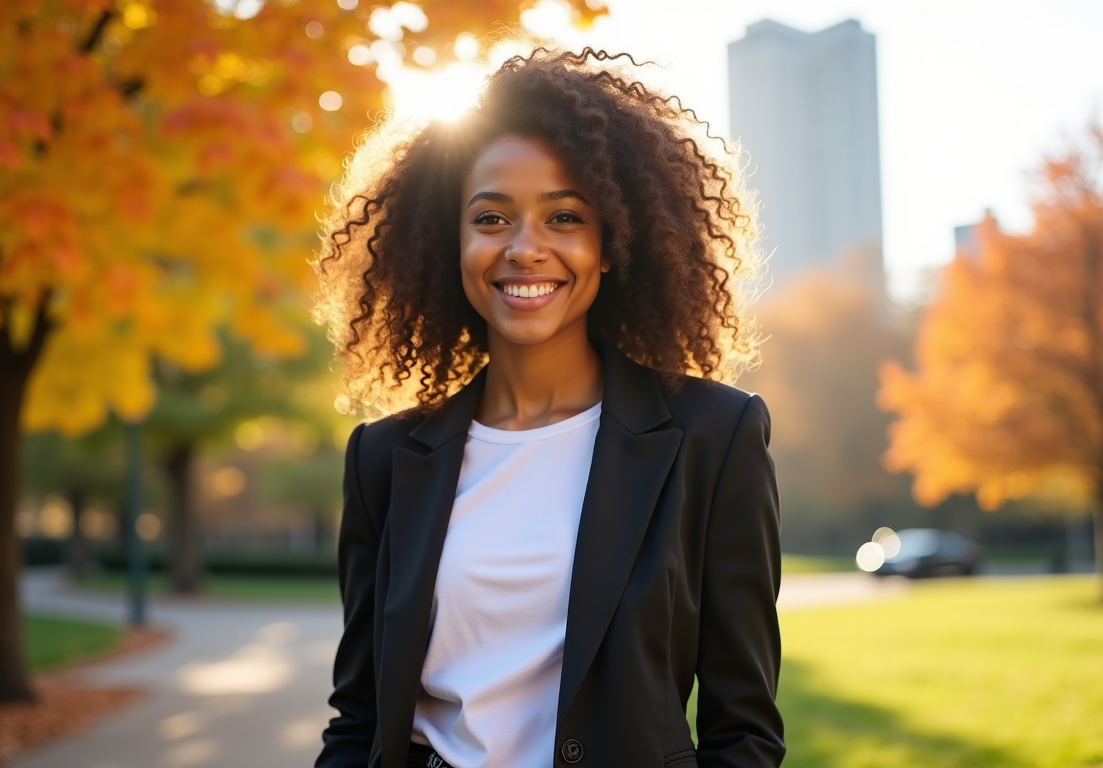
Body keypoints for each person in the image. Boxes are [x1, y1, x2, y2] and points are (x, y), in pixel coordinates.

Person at [313, 47, 784, 768]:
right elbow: (360, 720)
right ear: (453, 243)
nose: (525, 249)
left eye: (564, 216)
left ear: (611, 244)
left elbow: (742, 731)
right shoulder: (383, 458)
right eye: (491, 218)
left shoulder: (712, 438)